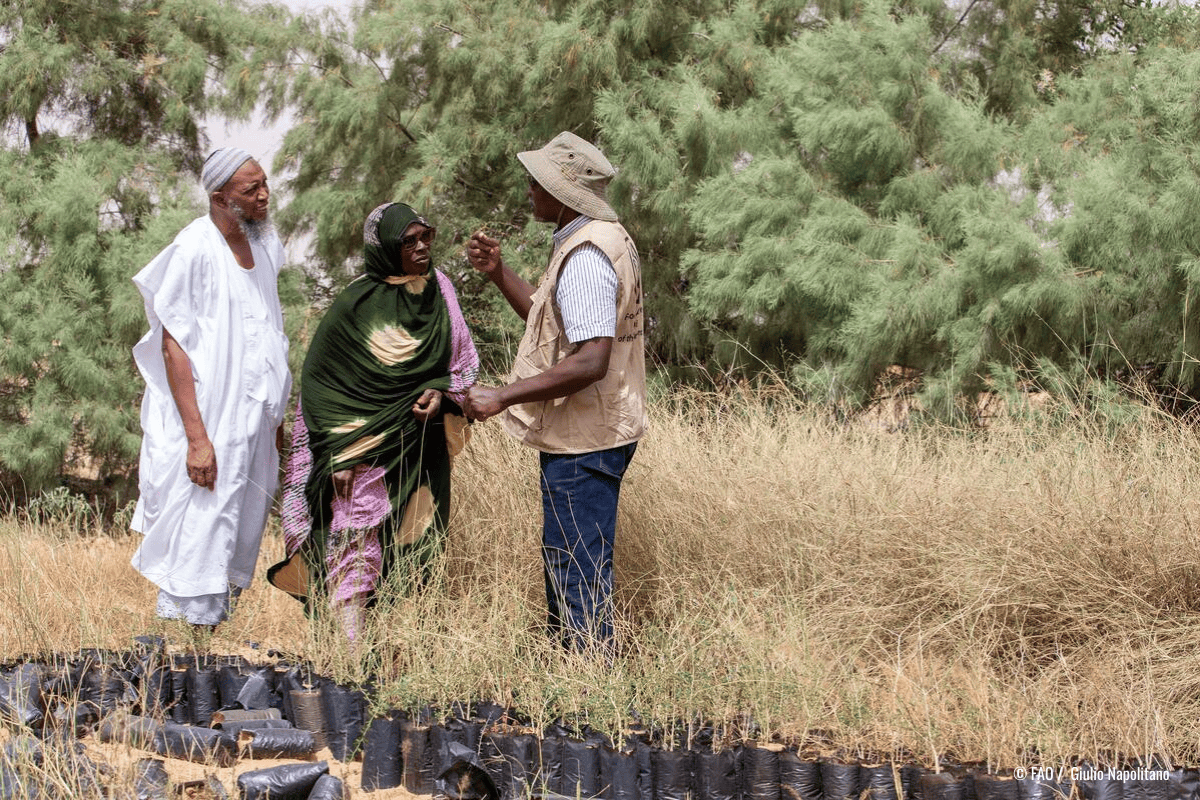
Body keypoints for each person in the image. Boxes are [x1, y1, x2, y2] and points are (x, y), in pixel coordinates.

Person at [465, 131, 647, 652]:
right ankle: (580, 683)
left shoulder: (588, 254)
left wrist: (504, 394)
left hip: (584, 437)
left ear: (563, 193)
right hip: (599, 428)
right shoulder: (594, 240)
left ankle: (587, 691)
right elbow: (556, 325)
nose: (529, 188)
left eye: (537, 181)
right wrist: (500, 274)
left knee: (576, 566)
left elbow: (590, 359)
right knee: (577, 559)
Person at [270, 203, 479, 641]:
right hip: (360, 451)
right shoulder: (355, 304)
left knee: (414, 544)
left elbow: (461, 361)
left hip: (418, 447)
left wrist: (441, 394)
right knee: (356, 542)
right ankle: (348, 659)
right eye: (409, 241)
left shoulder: (441, 290)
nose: (421, 247)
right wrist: (338, 454)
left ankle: (395, 657)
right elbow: (322, 386)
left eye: (427, 237)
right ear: (385, 248)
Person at [130, 147, 292, 628]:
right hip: (211, 423)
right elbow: (172, 346)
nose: (264, 196)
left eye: (265, 184)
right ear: (221, 197)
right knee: (200, 536)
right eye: (251, 189)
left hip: (254, 425)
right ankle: (182, 663)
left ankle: (208, 656)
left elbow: (266, 333)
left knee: (238, 535)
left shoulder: (263, 245)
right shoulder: (194, 248)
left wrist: (275, 418)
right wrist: (198, 439)